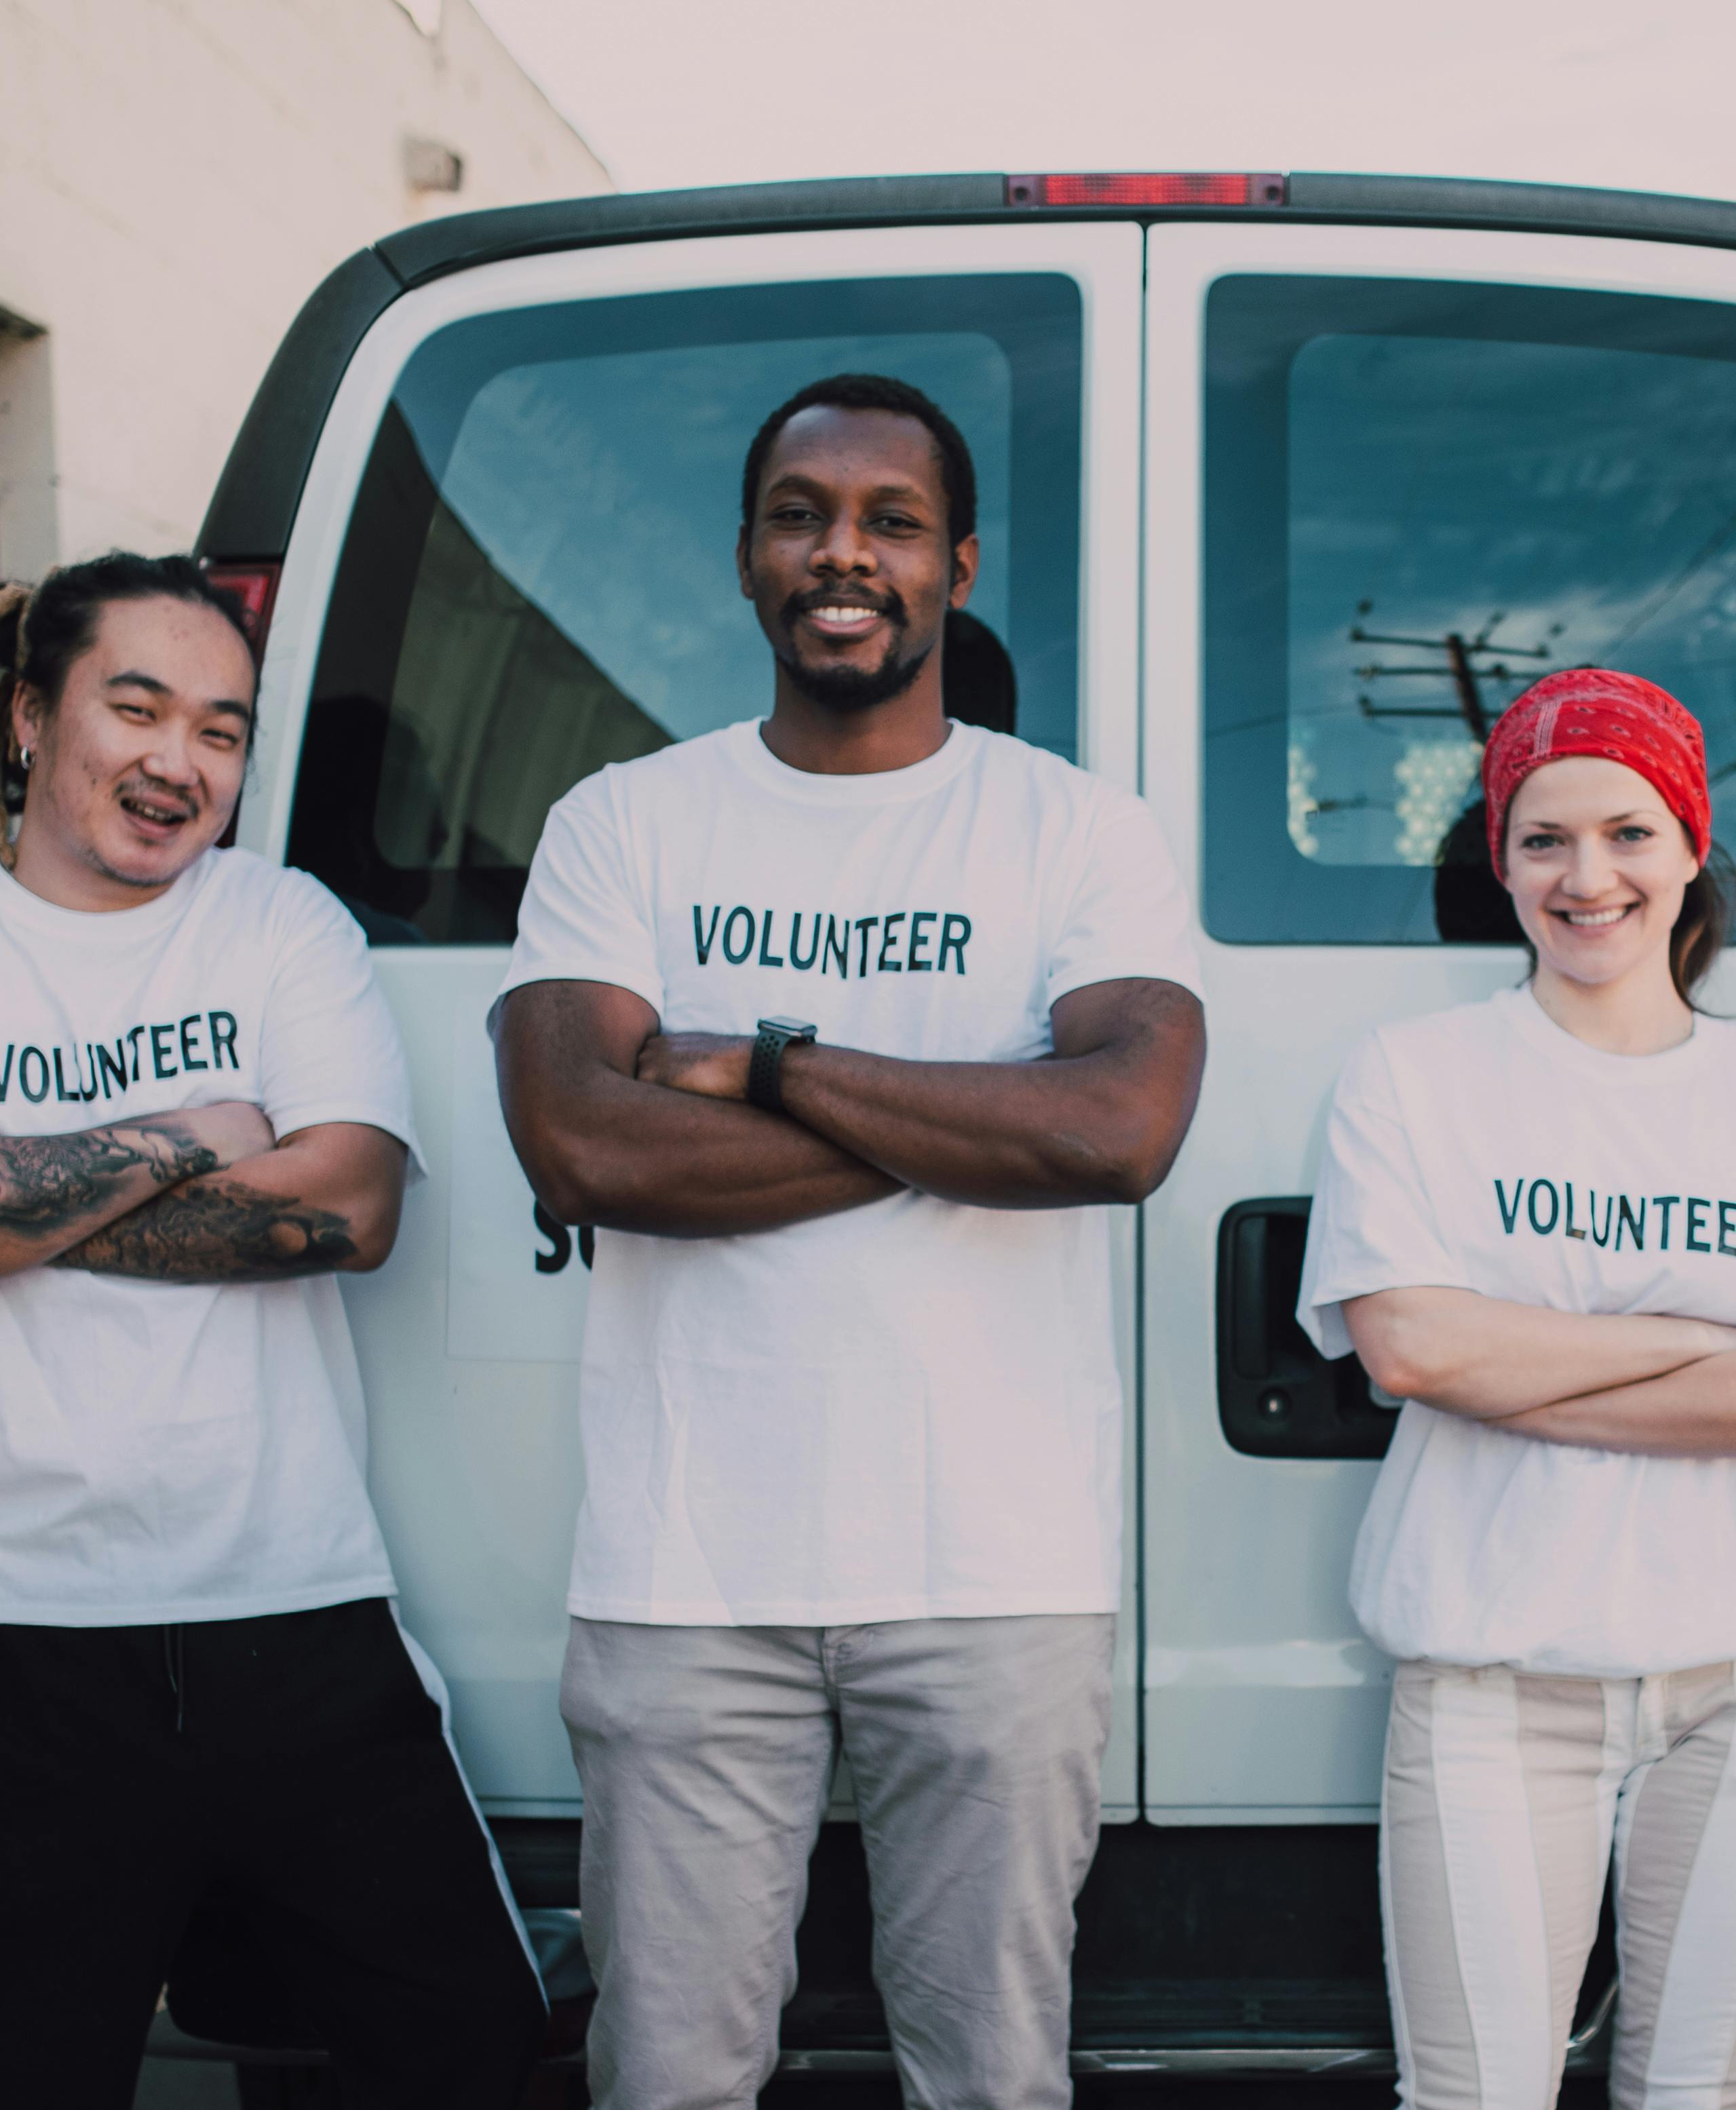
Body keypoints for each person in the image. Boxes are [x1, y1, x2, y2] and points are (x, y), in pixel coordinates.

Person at [490, 373, 1207, 2110]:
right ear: (746, 556)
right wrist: (975, 1119)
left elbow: (1120, 1130)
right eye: (802, 513)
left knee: (990, 2076)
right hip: (685, 1575)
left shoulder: (1072, 831)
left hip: (992, 1569)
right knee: (665, 2076)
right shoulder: (623, 824)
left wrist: (765, 1070)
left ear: (955, 565)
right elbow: (579, 1138)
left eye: (891, 520)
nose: (844, 553)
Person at [0, 555, 545, 2109]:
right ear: (31, 717)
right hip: (20, 1637)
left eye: (221, 727)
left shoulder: (278, 922)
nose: (179, 763)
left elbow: (342, 1213)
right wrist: (199, 1125)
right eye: (137, 708)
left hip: (303, 1608)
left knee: (478, 2065)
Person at [1296, 668, 1736, 2110]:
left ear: (1689, 848)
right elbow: (1413, 1353)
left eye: (1628, 832)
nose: (1588, 877)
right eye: (1544, 837)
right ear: (1499, 858)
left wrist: (1518, 1359)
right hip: (1492, 1672)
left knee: (1694, 2094)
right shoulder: (1414, 1077)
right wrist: (1702, 1337)